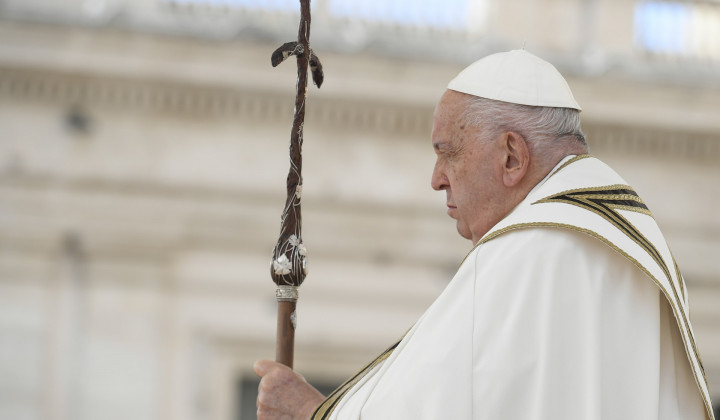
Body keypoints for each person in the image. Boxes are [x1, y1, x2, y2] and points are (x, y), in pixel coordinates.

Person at [254, 50, 714, 420]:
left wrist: (308, 413)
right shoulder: (639, 246)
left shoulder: (525, 252)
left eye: (447, 153)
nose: (436, 178)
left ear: (512, 157)